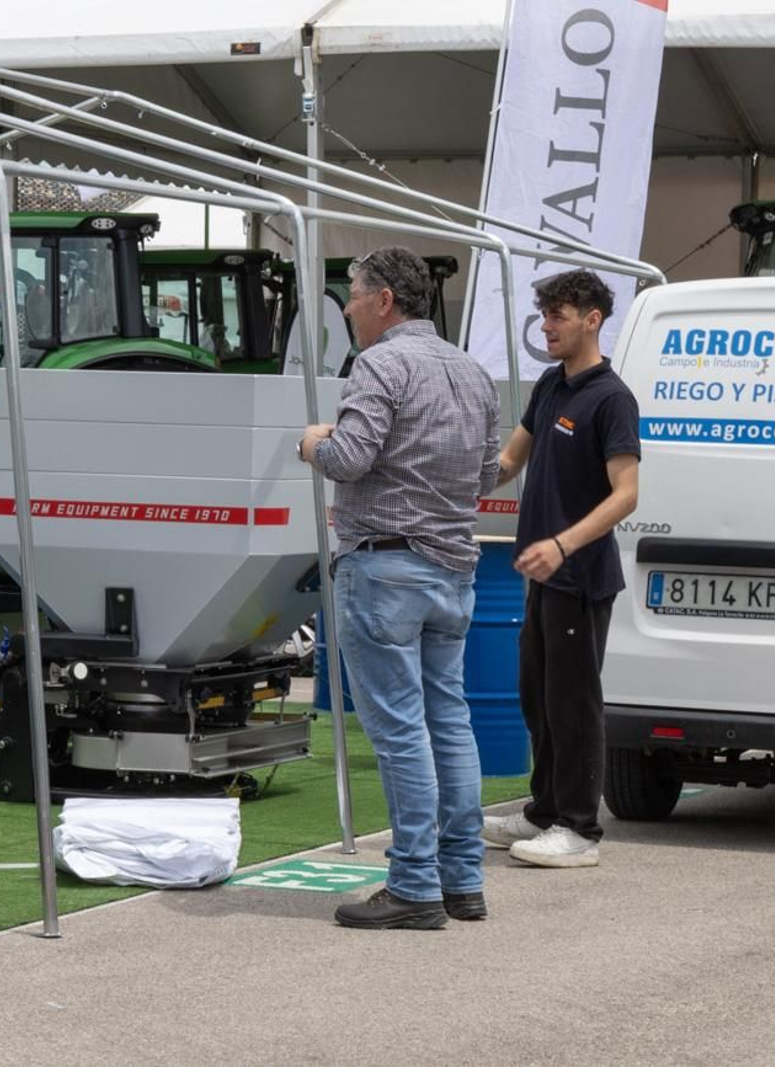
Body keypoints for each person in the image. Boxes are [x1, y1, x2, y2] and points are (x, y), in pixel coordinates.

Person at [298, 246, 501, 929]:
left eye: (353, 295)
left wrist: (314, 443)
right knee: (450, 721)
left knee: (401, 732)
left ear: (384, 300)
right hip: (453, 570)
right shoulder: (472, 371)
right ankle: (460, 878)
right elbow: (484, 478)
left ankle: (414, 883)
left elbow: (350, 458)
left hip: (384, 567)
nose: (348, 308)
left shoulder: (378, 363)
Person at [482, 269, 641, 868]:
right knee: (537, 696)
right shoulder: (550, 385)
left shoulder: (612, 398)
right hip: (543, 575)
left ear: (592, 319)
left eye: (558, 316)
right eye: (544, 314)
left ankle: (579, 829)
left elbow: (626, 494)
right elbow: (507, 460)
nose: (545, 326)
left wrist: (563, 545)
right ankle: (542, 810)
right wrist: (451, 479)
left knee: (575, 702)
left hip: (579, 576)